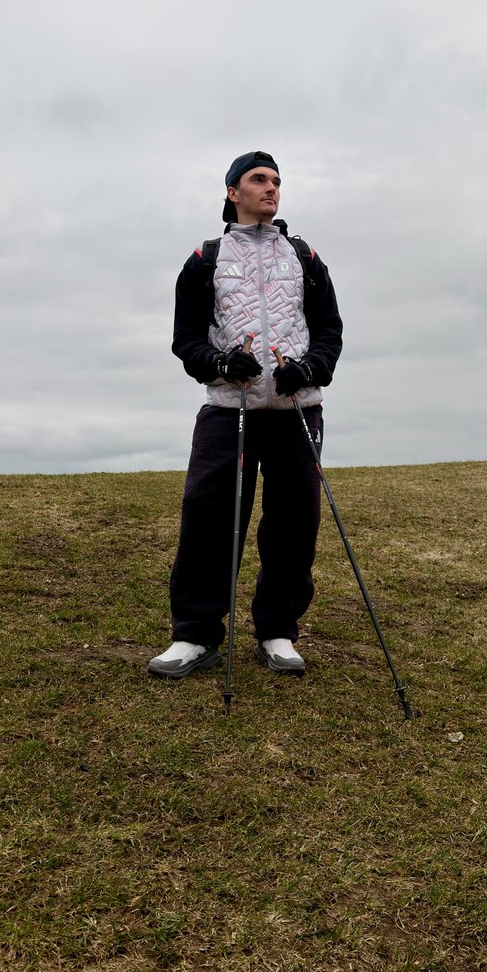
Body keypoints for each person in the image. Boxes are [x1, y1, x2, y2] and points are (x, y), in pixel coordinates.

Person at [148, 150, 343, 679]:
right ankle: (194, 636)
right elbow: (185, 338)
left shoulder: (305, 256)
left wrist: (309, 370)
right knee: (209, 520)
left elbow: (330, 331)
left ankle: (277, 632)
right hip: (227, 408)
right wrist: (217, 362)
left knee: (293, 523)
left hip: (296, 410)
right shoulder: (205, 258)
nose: (271, 188)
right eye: (259, 180)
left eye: (277, 180)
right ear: (233, 191)